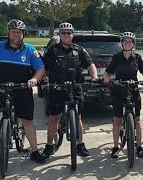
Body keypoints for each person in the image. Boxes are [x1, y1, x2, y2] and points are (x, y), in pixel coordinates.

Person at [0, 19, 46, 165]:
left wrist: (34, 79)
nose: (16, 34)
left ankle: (34, 151)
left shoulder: (30, 50)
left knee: (27, 121)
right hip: (1, 89)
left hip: (22, 89)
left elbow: (41, 69)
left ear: (23, 34)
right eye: (13, 31)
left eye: (19, 32)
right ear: (8, 33)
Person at [41, 22, 98, 158]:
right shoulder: (52, 50)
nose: (66, 35)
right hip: (57, 88)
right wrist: (43, 80)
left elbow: (90, 64)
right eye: (63, 33)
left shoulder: (79, 50)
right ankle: (49, 146)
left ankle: (80, 145)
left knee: (78, 117)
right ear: (59, 34)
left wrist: (94, 77)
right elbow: (43, 68)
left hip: (75, 88)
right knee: (54, 117)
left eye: (69, 33)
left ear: (72, 35)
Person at [103, 32, 143, 158]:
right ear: (122, 43)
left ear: (133, 43)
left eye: (130, 41)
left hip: (133, 89)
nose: (127, 43)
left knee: (137, 120)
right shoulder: (116, 57)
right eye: (125, 41)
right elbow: (107, 72)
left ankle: (139, 147)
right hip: (119, 89)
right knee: (117, 120)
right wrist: (106, 78)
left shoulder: (137, 57)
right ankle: (115, 147)